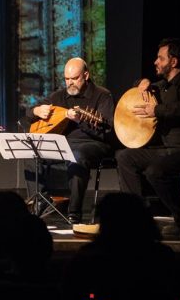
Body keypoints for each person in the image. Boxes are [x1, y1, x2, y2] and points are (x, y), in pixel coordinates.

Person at [116, 38, 180, 237]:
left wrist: (156, 110)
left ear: (174, 62)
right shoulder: (162, 86)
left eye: (160, 58)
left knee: (156, 171)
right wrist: (142, 83)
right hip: (168, 148)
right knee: (125, 157)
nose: (156, 62)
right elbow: (142, 87)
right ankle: (137, 216)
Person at [26, 57, 115, 224]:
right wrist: (36, 110)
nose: (70, 83)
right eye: (67, 79)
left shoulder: (102, 96)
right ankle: (42, 202)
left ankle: (74, 212)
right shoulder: (59, 96)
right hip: (64, 144)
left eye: (74, 78)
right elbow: (29, 113)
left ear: (86, 75)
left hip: (93, 144)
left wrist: (80, 120)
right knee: (31, 153)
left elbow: (107, 131)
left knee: (77, 155)